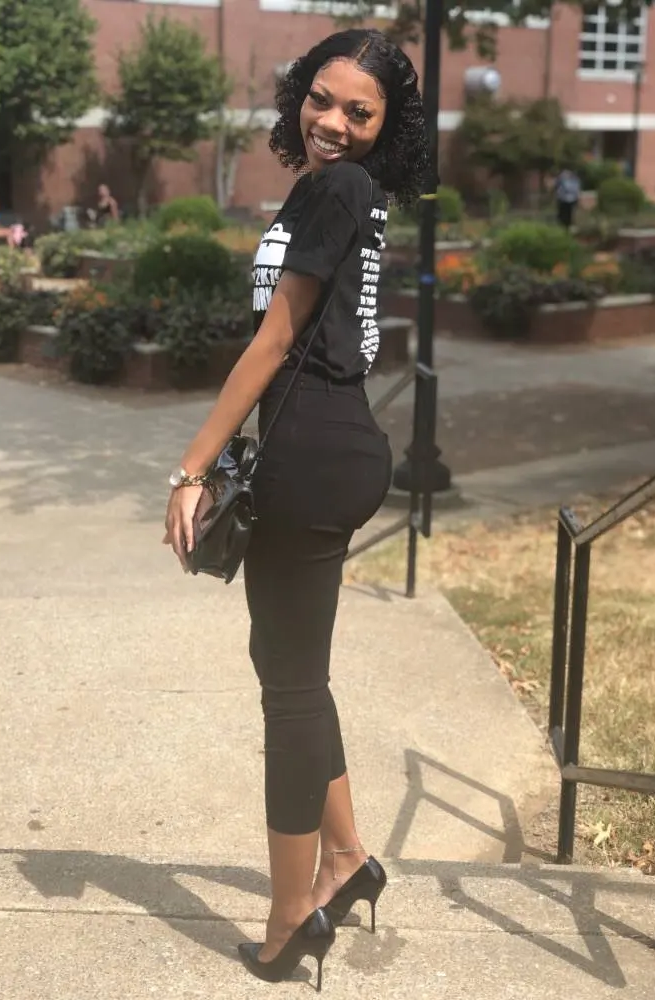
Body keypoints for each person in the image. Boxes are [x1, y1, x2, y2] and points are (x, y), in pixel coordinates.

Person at [163, 28, 430, 989]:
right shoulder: (337, 188)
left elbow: (276, 339)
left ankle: (288, 918)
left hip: (312, 450)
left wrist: (190, 469)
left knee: (289, 689)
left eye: (360, 112)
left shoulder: (343, 186)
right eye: (322, 99)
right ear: (299, 95)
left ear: (387, 126)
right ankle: (346, 856)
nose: (334, 122)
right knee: (287, 668)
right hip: (325, 444)